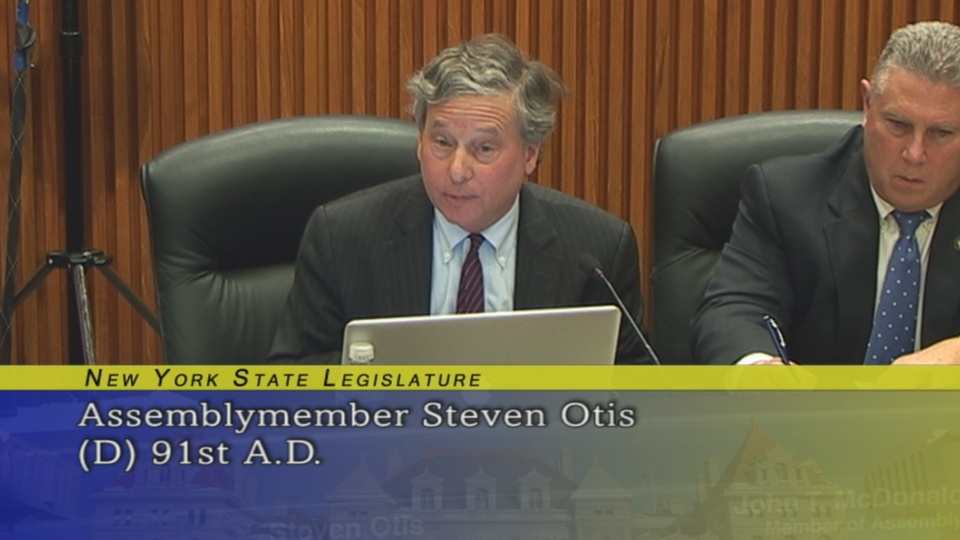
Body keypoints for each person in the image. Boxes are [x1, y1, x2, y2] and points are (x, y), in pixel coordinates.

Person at [269, 33, 651, 364]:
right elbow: (290, 379)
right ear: (419, 141)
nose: (456, 169)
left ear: (530, 155)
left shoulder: (596, 250)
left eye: (484, 148)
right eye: (442, 142)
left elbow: (638, 388)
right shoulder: (343, 238)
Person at [692, 21, 960, 365]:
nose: (915, 153)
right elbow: (734, 311)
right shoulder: (785, 197)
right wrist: (759, 369)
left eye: (941, 133)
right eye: (898, 125)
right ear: (867, 105)